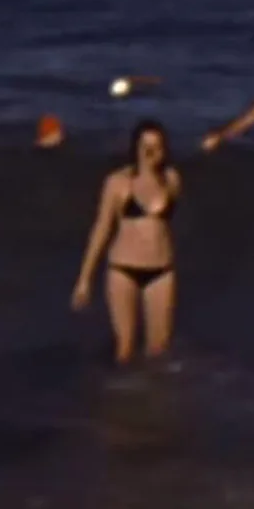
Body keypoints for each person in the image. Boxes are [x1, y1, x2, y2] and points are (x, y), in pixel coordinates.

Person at [72, 119, 181, 364]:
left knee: (160, 347)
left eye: (157, 147)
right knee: (125, 348)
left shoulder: (172, 180)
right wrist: (84, 279)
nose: (152, 153)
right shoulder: (118, 183)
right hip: (124, 269)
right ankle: (122, 398)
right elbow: (101, 229)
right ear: (136, 149)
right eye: (146, 147)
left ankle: (155, 397)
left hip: (162, 271)